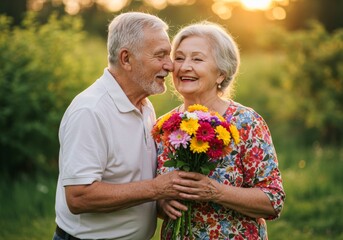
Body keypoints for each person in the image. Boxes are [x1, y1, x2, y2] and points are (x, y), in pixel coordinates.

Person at [53, 12, 188, 240]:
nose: (171, 65)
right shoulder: (90, 111)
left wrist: (159, 202)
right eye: (160, 55)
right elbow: (78, 197)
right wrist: (157, 189)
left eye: (169, 55)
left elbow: (132, 178)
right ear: (126, 59)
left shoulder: (144, 106)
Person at [156, 21, 286, 239]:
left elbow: (273, 201)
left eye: (197, 59)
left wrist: (216, 192)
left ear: (221, 73)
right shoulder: (163, 126)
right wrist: (161, 203)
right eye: (179, 58)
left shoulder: (246, 122)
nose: (184, 66)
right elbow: (152, 196)